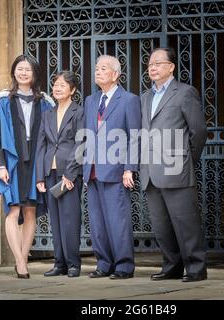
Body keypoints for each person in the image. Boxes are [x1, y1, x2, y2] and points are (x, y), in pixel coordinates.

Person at [140, 47, 208, 282]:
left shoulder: (185, 93)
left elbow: (198, 131)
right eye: (150, 64)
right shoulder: (145, 97)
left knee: (185, 222)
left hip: (176, 169)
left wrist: (186, 159)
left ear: (171, 67)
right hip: (150, 171)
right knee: (161, 226)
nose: (152, 67)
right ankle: (172, 266)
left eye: (158, 63)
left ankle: (196, 268)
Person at [0, 54, 54, 279]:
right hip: (12, 162)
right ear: (14, 71)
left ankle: (23, 259)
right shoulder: (2, 101)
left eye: (28, 69)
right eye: (20, 69)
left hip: (35, 160)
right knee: (13, 209)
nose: (24, 73)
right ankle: (20, 261)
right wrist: (1, 165)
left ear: (35, 74)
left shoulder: (44, 102)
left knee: (30, 209)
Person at [83, 55, 141, 280]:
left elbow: (134, 137)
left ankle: (124, 266)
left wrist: (129, 168)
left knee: (118, 221)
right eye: (96, 68)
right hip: (93, 171)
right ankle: (103, 263)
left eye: (103, 68)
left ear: (116, 74)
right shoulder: (90, 100)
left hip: (116, 172)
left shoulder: (128, 100)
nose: (98, 72)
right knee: (97, 222)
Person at [36, 71, 84, 278]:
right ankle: (59, 264)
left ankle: (73, 264)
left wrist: (71, 174)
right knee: (55, 220)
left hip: (68, 174)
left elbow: (82, 144)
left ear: (72, 90)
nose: (57, 88)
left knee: (70, 218)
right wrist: (39, 176)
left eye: (62, 85)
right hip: (50, 173)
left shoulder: (79, 112)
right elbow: (41, 146)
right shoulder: (47, 114)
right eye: (55, 84)